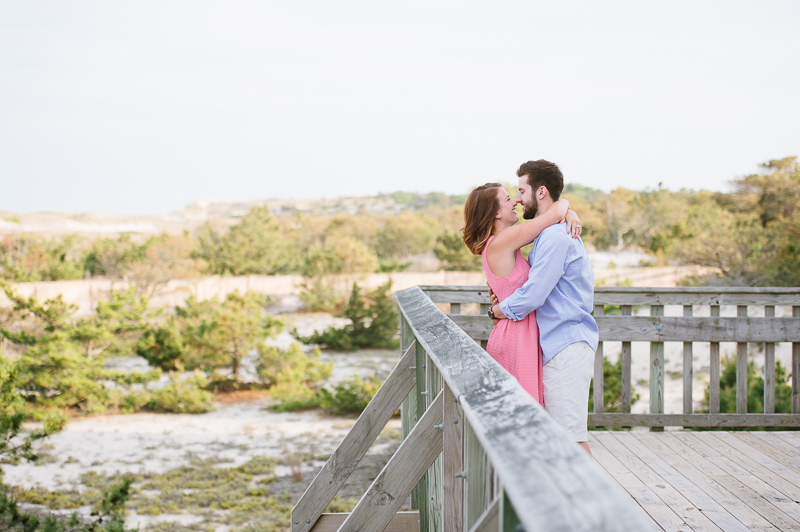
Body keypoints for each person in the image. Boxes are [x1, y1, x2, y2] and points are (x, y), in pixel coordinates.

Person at [488, 160, 598, 455]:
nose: (518, 198)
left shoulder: (555, 237)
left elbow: (533, 295)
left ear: (541, 192)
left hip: (566, 346)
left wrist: (498, 311)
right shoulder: (549, 232)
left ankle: (593, 501)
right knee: (560, 436)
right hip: (557, 345)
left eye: (522, 190)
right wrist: (566, 208)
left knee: (571, 439)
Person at [461, 182, 581, 404]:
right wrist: (567, 207)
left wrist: (568, 212)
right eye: (507, 199)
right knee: (524, 413)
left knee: (524, 412)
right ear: (496, 212)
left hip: (518, 330)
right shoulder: (502, 241)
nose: (515, 201)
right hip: (516, 336)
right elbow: (553, 214)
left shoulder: (502, 243)